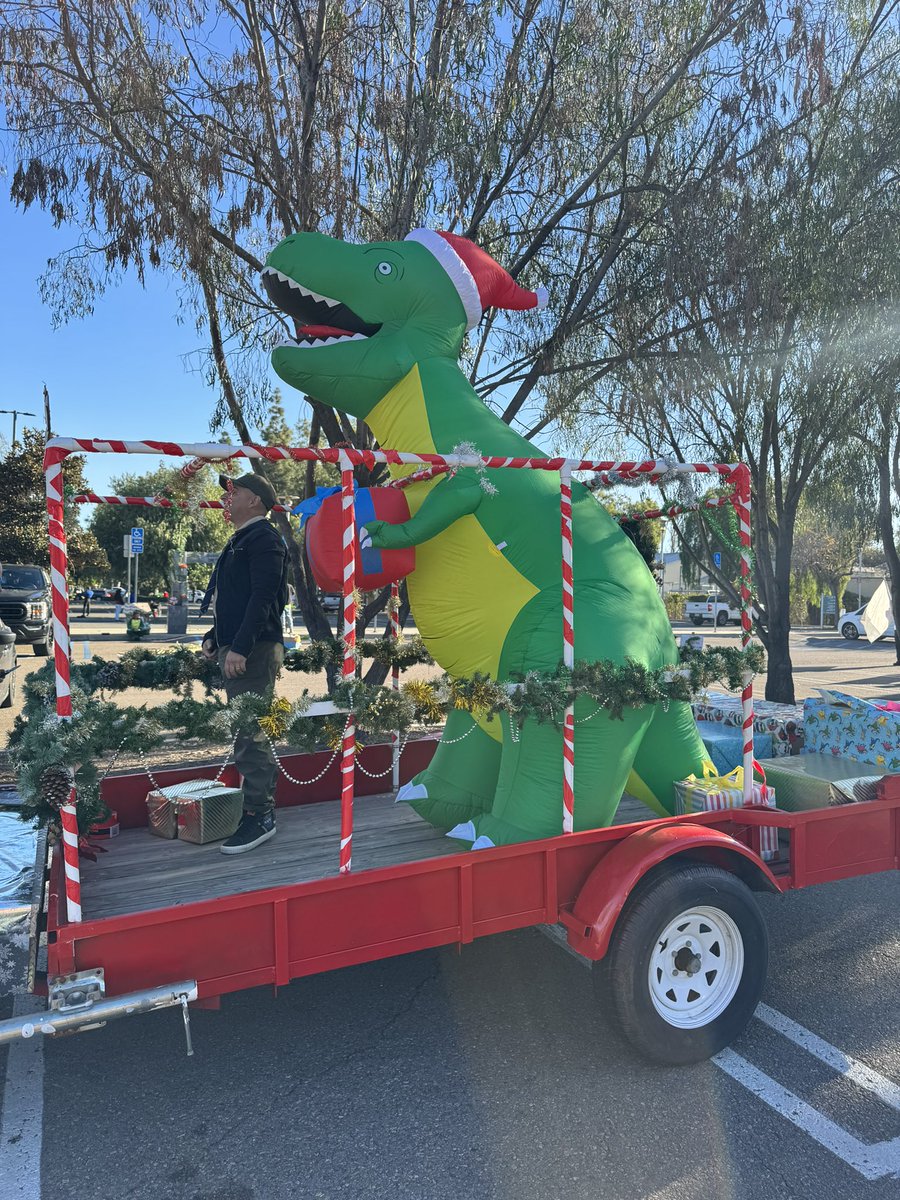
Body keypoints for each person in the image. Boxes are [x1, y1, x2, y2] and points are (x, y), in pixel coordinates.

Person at [201, 473, 288, 854]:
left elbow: (263, 598)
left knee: (250, 731)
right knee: (245, 728)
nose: (227, 497)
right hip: (238, 646)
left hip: (252, 650)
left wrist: (238, 646)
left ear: (255, 501)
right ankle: (254, 811)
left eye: (234, 491)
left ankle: (259, 815)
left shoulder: (264, 538)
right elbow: (233, 599)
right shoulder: (243, 538)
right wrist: (215, 637)